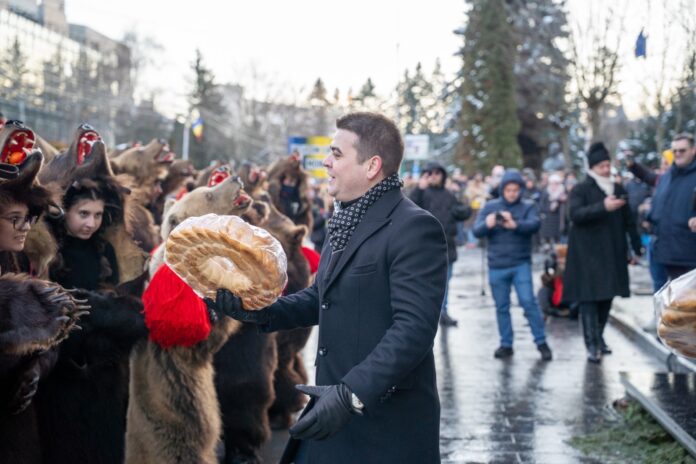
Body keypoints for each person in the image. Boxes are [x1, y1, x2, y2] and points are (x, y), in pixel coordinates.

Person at [208, 112, 447, 464]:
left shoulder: (414, 228)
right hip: (333, 415)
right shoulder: (347, 218)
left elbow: (413, 330)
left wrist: (351, 394)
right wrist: (258, 309)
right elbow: (321, 297)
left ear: (372, 166)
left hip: (384, 426)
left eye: (336, 153)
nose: (325, 162)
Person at [563, 142, 642, 363]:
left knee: (607, 296)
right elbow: (575, 215)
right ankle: (591, 344)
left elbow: (629, 221)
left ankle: (598, 337)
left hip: (612, 252)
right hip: (587, 254)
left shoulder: (618, 189)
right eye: (601, 166)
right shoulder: (581, 189)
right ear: (592, 168)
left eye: (608, 165)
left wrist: (636, 247)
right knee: (589, 299)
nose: (606, 170)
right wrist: (602, 207)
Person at [472, 169, 552, 361]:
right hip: (496, 264)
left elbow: (535, 225)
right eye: (508, 190)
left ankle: (541, 342)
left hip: (520, 263)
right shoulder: (491, 207)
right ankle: (506, 344)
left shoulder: (528, 206)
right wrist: (489, 223)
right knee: (501, 307)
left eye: (515, 190)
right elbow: (476, 231)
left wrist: (515, 225)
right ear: (502, 190)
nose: (512, 194)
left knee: (528, 302)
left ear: (520, 189)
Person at [410, 161, 471, 327]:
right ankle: (424, 313)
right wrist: (419, 188)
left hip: (447, 246)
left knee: (445, 283)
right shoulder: (421, 193)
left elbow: (461, 212)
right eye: (431, 173)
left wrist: (464, 206)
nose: (434, 176)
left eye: (438, 173)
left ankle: (442, 312)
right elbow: (408, 207)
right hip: (425, 248)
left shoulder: (449, 194)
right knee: (424, 283)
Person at [646, 133, 696, 280]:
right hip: (665, 252)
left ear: (693, 150)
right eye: (674, 151)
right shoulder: (667, 176)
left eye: (682, 150)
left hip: (690, 255)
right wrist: (649, 217)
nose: (678, 154)